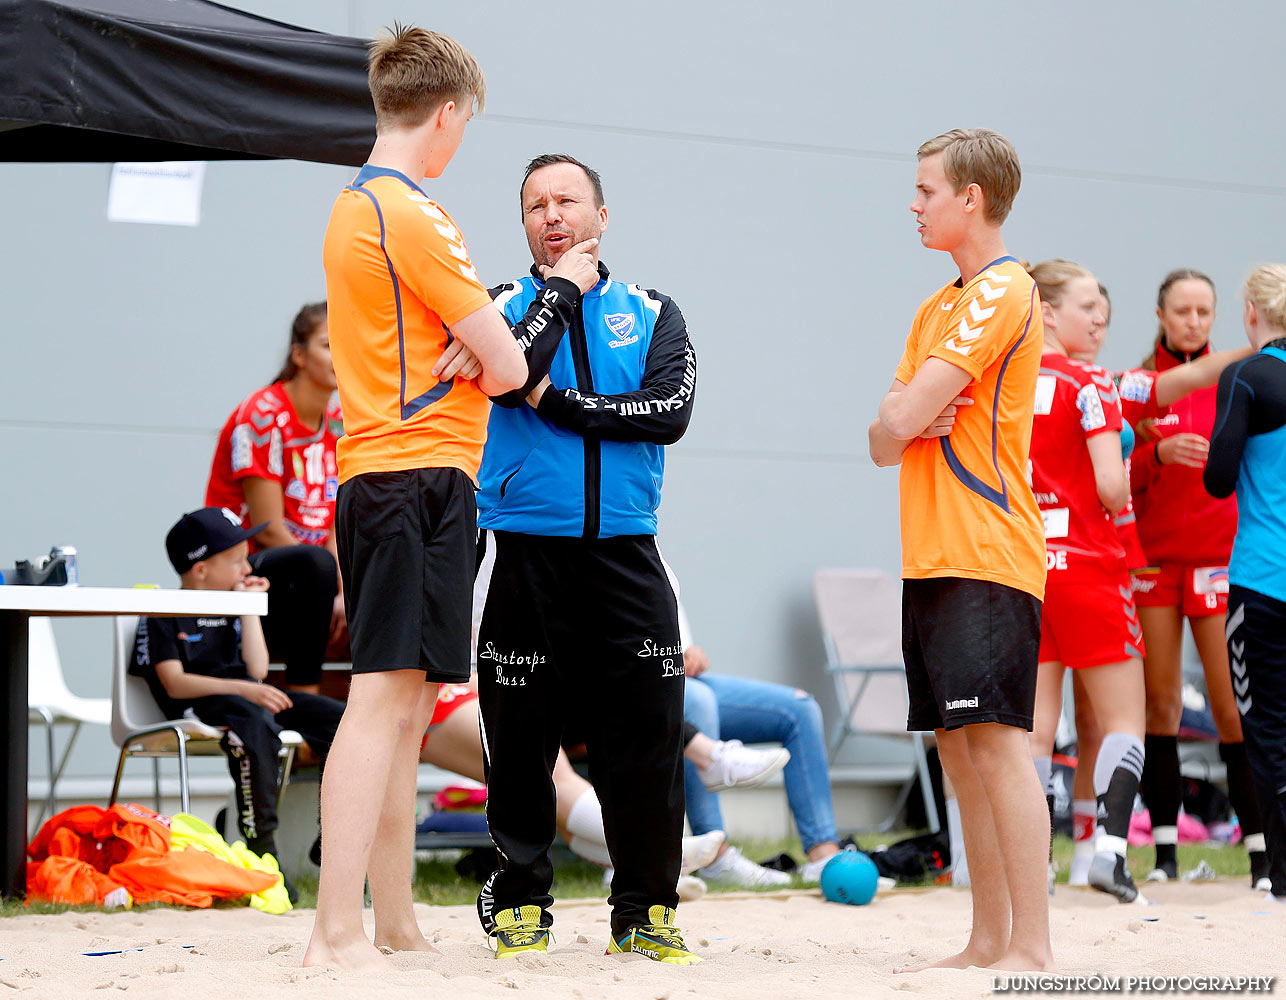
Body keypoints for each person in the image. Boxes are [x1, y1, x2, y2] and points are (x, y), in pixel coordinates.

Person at [303, 26, 535, 972]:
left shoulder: (354, 206)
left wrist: (474, 339)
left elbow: (483, 343)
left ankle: (390, 920)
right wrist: (482, 344)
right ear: (447, 115)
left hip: (399, 472)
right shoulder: (413, 212)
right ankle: (335, 930)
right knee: (383, 700)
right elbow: (514, 364)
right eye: (464, 126)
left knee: (405, 705)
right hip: (413, 474)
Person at [474, 153, 698, 963]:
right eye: (536, 205)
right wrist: (558, 293)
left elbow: (666, 414)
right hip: (523, 551)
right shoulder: (498, 306)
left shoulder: (653, 310)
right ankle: (522, 904)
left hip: (628, 553)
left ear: (603, 217)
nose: (552, 215)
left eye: (568, 201)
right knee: (520, 739)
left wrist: (559, 405)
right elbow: (510, 375)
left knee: (647, 737)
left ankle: (644, 912)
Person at [868, 128, 1052, 973]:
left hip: (988, 549)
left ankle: (1035, 946)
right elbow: (880, 437)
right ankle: (986, 939)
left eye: (927, 190)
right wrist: (906, 414)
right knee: (957, 747)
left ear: (970, 197)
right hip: (932, 553)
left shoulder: (1004, 289)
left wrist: (909, 413)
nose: (914, 203)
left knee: (1000, 741)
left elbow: (903, 418)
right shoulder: (935, 305)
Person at [1128, 269, 1268, 888]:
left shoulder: (1237, 378)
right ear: (1160, 314)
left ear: (1218, 318)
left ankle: (1263, 855)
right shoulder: (1140, 384)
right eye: (1181, 311)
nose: (1192, 322)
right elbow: (1109, 478)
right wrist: (1152, 454)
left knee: (1233, 709)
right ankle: (1162, 857)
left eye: (1203, 312)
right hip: (1155, 561)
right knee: (1159, 705)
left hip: (1219, 557)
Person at [130, 507, 345, 901]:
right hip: (204, 706)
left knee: (341, 719)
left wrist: (249, 611)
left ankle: (331, 836)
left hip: (248, 698)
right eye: (237, 560)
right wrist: (245, 690)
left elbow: (258, 668)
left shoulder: (233, 603)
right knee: (256, 722)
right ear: (201, 570)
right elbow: (175, 685)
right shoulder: (165, 611)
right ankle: (263, 846)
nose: (247, 567)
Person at [1025, 259, 1145, 903]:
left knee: (1037, 727)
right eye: (1087, 305)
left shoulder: (1004, 380)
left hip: (1027, 565)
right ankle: (1111, 854)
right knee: (1125, 715)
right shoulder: (1091, 381)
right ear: (1046, 310)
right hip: (1092, 563)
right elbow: (1108, 485)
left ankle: (1033, 864)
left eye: (1104, 307)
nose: (1099, 317)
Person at [415, 681, 726, 901]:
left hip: (464, 680)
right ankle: (656, 858)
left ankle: (647, 869)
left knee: (554, 792)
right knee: (550, 776)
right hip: (440, 686)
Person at [205, 302, 346, 694]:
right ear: (298, 355)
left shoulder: (339, 422)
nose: (341, 354)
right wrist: (331, 578)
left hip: (312, 574)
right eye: (327, 345)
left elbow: (335, 523)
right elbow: (266, 531)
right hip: (244, 569)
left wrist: (343, 582)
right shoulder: (262, 415)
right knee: (314, 563)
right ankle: (306, 699)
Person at [1204, 264, 1286, 902]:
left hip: (1264, 579)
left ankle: (1282, 875)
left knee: (1267, 727)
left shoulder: (1250, 376)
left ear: (1252, 315)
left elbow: (1218, 479)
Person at [679, 618, 842, 887]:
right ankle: (714, 858)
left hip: (680, 673)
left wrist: (688, 651)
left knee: (800, 709)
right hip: (644, 681)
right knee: (698, 701)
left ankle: (823, 854)